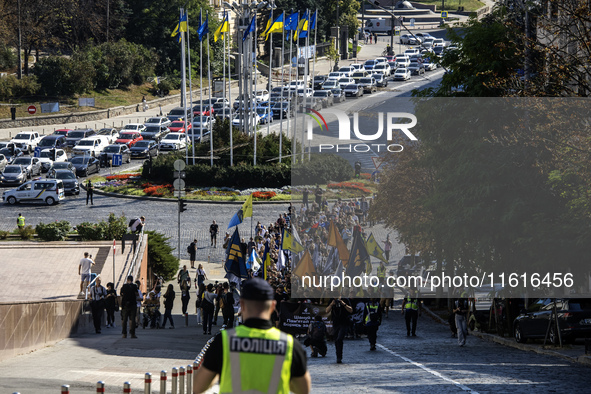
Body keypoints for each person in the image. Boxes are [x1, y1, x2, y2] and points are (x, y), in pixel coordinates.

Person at [193, 278, 311, 394]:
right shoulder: (289, 344)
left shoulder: (224, 341)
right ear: (272, 306)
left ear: (242, 305)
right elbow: (303, 389)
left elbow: (198, 386)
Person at [325, 296, 353, 364]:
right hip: (336, 323)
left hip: (344, 323)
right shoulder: (332, 300)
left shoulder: (345, 299)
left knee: (339, 339)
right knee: (336, 340)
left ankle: (339, 356)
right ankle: (338, 356)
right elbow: (327, 311)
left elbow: (351, 310)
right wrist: (331, 304)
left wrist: (343, 304)